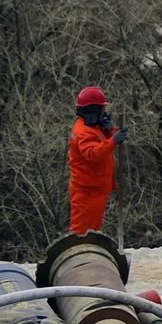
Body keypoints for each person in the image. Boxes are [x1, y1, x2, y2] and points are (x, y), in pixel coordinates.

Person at [68, 86, 125, 234]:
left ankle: (89, 254)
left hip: (95, 189)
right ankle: (79, 256)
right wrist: (113, 140)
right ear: (93, 110)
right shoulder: (83, 131)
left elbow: (101, 142)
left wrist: (110, 131)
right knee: (81, 233)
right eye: (101, 109)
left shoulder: (92, 126)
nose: (103, 112)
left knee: (92, 230)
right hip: (87, 192)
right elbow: (92, 154)